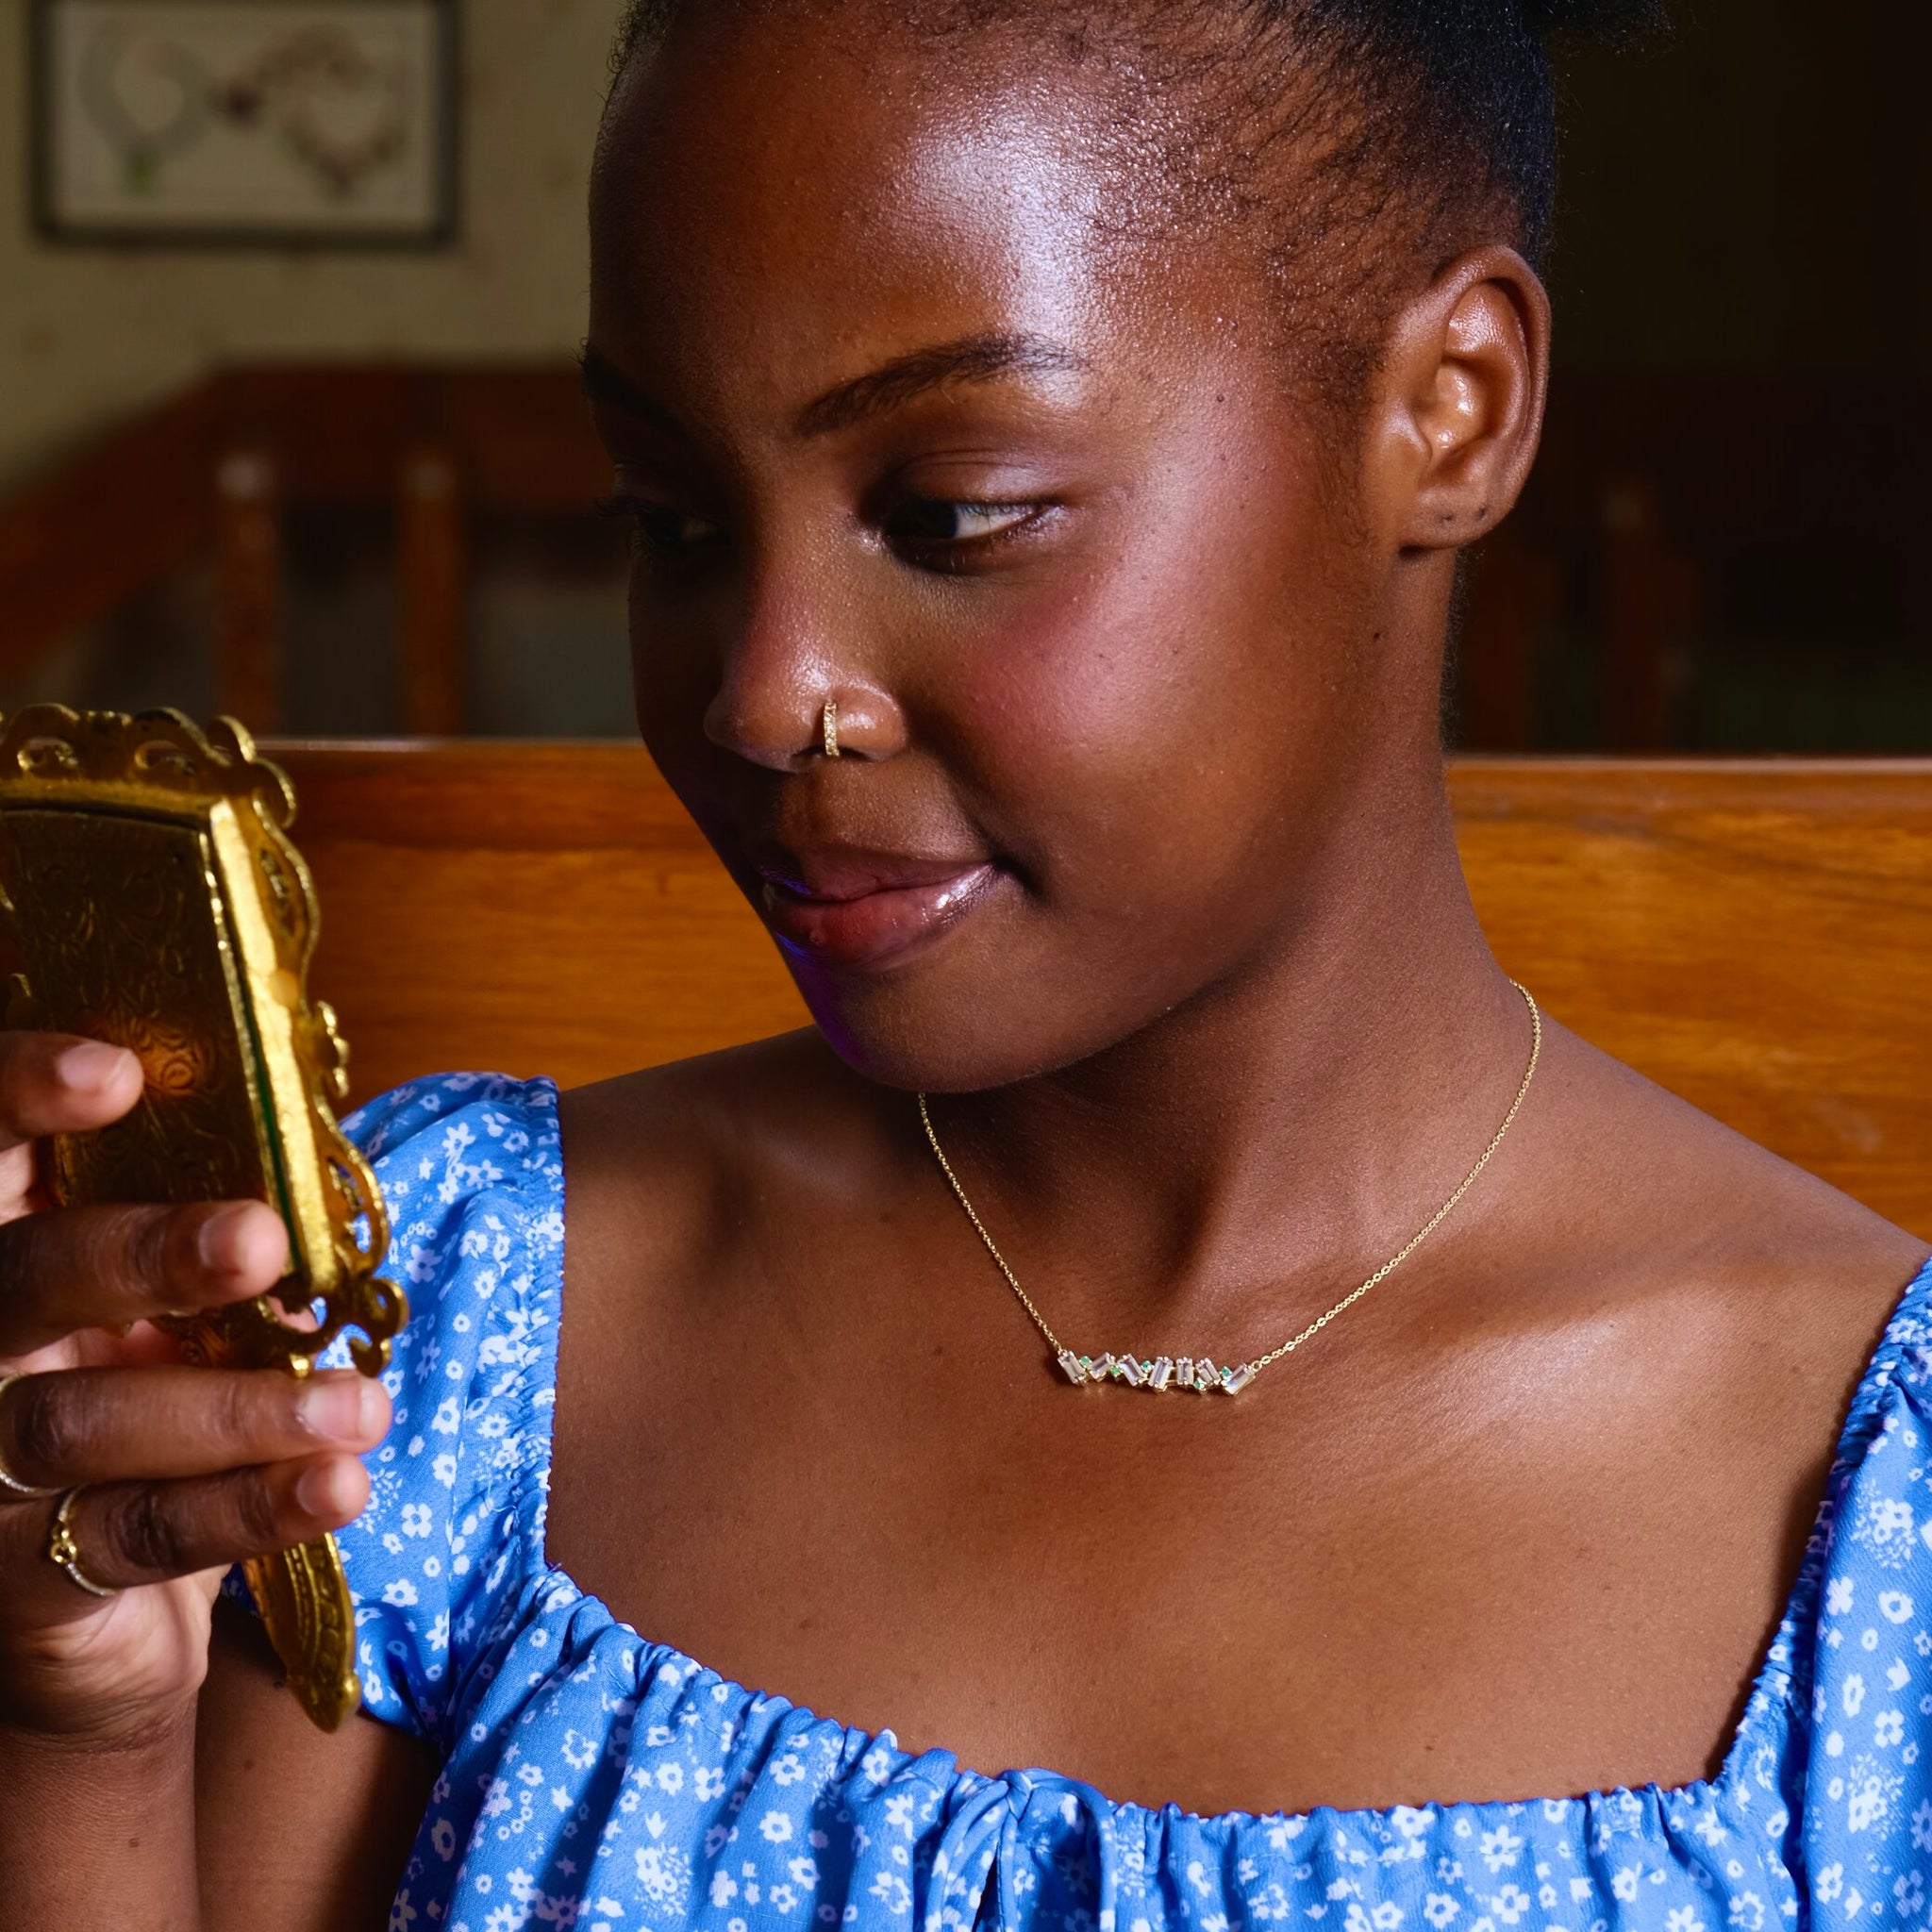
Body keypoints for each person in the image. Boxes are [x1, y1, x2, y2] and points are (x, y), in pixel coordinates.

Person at [3, 1, 1927, 1926]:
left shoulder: (1871, 1542)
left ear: (1451, 407)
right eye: (668, 519)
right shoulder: (450, 1329)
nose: (763, 695)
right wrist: (84, 1725)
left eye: (957, 515)